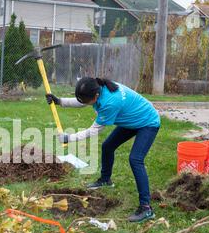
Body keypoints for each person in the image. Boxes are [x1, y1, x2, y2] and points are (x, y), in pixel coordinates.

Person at [46, 78, 161, 223]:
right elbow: (82, 101)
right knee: (107, 146)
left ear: (96, 97)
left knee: (135, 159)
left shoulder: (110, 103)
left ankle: (146, 208)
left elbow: (93, 131)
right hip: (133, 119)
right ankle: (105, 180)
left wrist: (69, 138)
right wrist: (60, 101)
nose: (83, 102)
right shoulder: (98, 88)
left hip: (148, 122)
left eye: (86, 100)